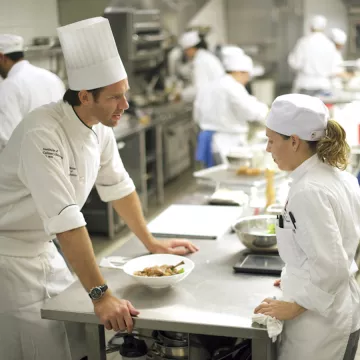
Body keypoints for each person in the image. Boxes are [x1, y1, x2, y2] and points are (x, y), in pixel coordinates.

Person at [0, 17, 198, 360]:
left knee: (74, 337)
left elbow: (118, 186)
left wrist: (150, 242)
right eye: (115, 97)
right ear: (85, 95)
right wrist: (101, 294)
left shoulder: (97, 125)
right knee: (34, 347)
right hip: (9, 260)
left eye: (125, 95)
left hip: (44, 250)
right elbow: (66, 221)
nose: (124, 105)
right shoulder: (42, 133)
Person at [254, 94, 360, 360]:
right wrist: (297, 276)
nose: (268, 149)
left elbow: (333, 267)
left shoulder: (309, 190)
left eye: (271, 140)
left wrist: (297, 306)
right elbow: (333, 246)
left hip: (321, 327)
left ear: (293, 141)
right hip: (336, 308)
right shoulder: (335, 175)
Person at [194, 51, 268, 163]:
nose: (247, 80)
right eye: (247, 75)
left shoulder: (210, 85)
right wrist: (267, 111)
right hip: (228, 145)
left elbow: (197, 114)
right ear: (240, 72)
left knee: (216, 177)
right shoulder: (232, 86)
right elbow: (251, 111)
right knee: (228, 177)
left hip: (210, 143)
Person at [0, 34, 65, 152]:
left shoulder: (9, 86)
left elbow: (9, 138)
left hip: (30, 160)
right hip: (60, 155)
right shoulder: (52, 78)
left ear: (2, 57)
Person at [288, 15, 339, 95]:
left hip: (306, 85)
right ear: (324, 28)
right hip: (324, 85)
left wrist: (290, 58)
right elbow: (334, 68)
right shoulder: (330, 44)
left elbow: (296, 64)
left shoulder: (303, 42)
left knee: (304, 107)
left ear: (310, 27)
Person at [178, 30, 224, 103]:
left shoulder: (200, 61)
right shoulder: (204, 56)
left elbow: (199, 89)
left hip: (211, 103)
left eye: (186, 50)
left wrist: (181, 95)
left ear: (191, 48)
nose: (186, 54)